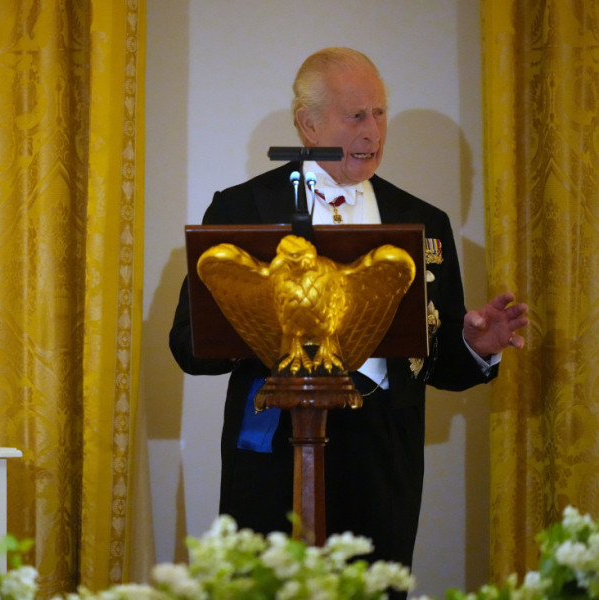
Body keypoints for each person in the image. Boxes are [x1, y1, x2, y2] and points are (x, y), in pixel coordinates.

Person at [169, 47, 528, 573]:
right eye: (356, 115)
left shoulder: (422, 220)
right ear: (308, 124)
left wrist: (474, 345)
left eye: (380, 113)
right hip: (274, 447)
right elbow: (188, 344)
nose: (373, 131)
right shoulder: (243, 209)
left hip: (381, 453)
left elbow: (436, 360)